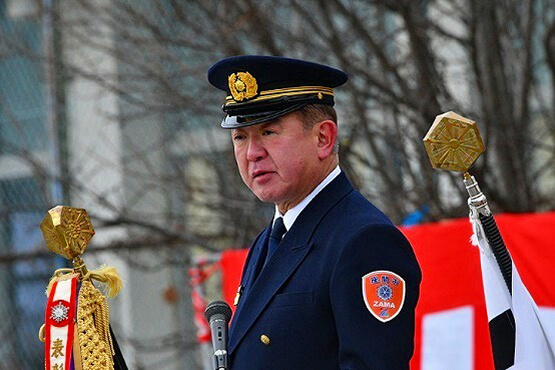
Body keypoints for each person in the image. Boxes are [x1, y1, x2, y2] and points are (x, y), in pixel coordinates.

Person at [207, 55, 422, 369]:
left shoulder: (365, 241)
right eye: (240, 137)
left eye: (269, 132)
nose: (252, 153)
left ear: (324, 138)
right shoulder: (269, 241)